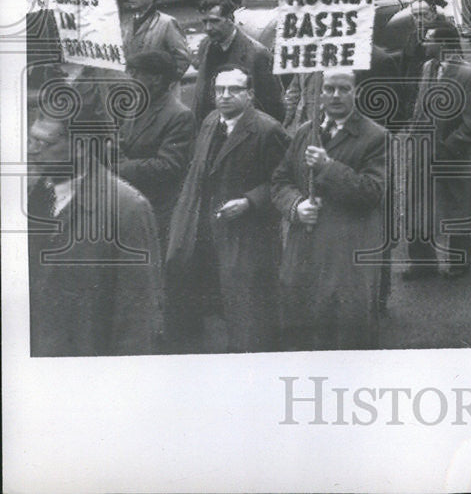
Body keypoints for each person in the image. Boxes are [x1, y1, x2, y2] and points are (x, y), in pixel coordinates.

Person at [166, 65, 290, 353]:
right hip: (208, 227)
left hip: (249, 234)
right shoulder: (211, 121)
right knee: (212, 300)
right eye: (219, 90)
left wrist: (249, 201)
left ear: (249, 94)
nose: (224, 96)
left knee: (248, 310)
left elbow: (284, 181)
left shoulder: (267, 130)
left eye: (233, 90)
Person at [27, 101, 164, 356]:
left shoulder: (127, 208)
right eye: (31, 140)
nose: (31, 151)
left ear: (80, 147)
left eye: (43, 144)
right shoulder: (32, 197)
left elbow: (138, 316)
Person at [271, 70, 388, 349]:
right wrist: (296, 206)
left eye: (344, 89)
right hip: (305, 247)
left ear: (356, 92)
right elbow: (280, 180)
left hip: (347, 248)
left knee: (345, 328)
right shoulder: (304, 133)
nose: (336, 95)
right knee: (303, 322)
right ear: (319, 93)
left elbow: (372, 192)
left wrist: (328, 167)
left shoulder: (375, 136)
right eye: (329, 88)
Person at [402, 24, 471, 278]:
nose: (424, 44)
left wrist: (450, 147)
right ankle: (422, 264)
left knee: (458, 207)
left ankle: (460, 263)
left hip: (452, 155)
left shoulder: (470, 75)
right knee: (418, 205)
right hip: (422, 150)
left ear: (444, 44)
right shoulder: (428, 68)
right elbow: (420, 107)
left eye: (429, 40)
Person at [117, 50, 196, 251]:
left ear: (156, 79)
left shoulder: (179, 116)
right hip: (130, 200)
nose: (131, 79)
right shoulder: (134, 105)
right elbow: (123, 141)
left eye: (136, 74)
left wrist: (120, 168)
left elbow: (168, 166)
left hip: (157, 208)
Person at [191, 0, 285, 125]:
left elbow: (273, 107)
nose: (208, 28)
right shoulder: (205, 46)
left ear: (230, 20)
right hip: (211, 128)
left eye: (214, 21)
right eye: (205, 22)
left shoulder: (257, 54)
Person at [121, 0, 192, 81]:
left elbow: (182, 59)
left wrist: (164, 84)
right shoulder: (127, 24)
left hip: (160, 92)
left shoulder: (166, 23)